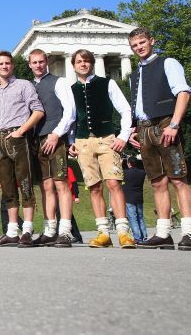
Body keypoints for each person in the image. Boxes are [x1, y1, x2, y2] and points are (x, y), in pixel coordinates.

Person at [126, 29, 191, 251]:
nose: (139, 48)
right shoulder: (135, 74)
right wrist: (134, 128)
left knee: (179, 178)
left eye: (142, 42)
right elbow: (139, 104)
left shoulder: (167, 63)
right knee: (157, 181)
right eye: (134, 45)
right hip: (144, 129)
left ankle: (188, 232)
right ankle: (163, 233)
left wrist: (174, 124)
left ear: (152, 41)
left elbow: (183, 92)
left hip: (165, 124)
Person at [68, 49, 136, 249]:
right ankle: (103, 232)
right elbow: (71, 118)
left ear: (92, 63)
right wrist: (70, 140)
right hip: (83, 142)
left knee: (114, 183)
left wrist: (123, 136)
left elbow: (125, 109)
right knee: (94, 187)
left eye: (87, 61)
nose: (83, 64)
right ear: (74, 65)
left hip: (107, 138)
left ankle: (123, 231)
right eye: (79, 61)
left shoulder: (108, 83)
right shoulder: (71, 89)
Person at [0, 51, 44, 247]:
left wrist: (21, 131)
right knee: (7, 186)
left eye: (7, 63)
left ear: (13, 66)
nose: (4, 66)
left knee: (25, 183)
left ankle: (27, 229)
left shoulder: (24, 85)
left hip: (18, 137)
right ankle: (11, 231)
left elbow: (38, 110)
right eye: (0, 64)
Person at [27, 49, 77, 248]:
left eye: (41, 62)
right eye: (34, 63)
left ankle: (65, 231)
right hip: (36, 140)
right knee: (45, 186)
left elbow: (70, 111)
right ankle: (49, 230)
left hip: (55, 137)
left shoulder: (59, 81)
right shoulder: (29, 86)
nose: (38, 65)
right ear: (29, 64)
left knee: (61, 184)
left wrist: (57, 134)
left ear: (46, 62)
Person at [122, 156, 148, 242]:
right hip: (139, 197)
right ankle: (144, 236)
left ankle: (137, 237)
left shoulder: (125, 173)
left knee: (133, 218)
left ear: (129, 163)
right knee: (140, 217)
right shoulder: (142, 172)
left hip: (129, 197)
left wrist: (121, 162)